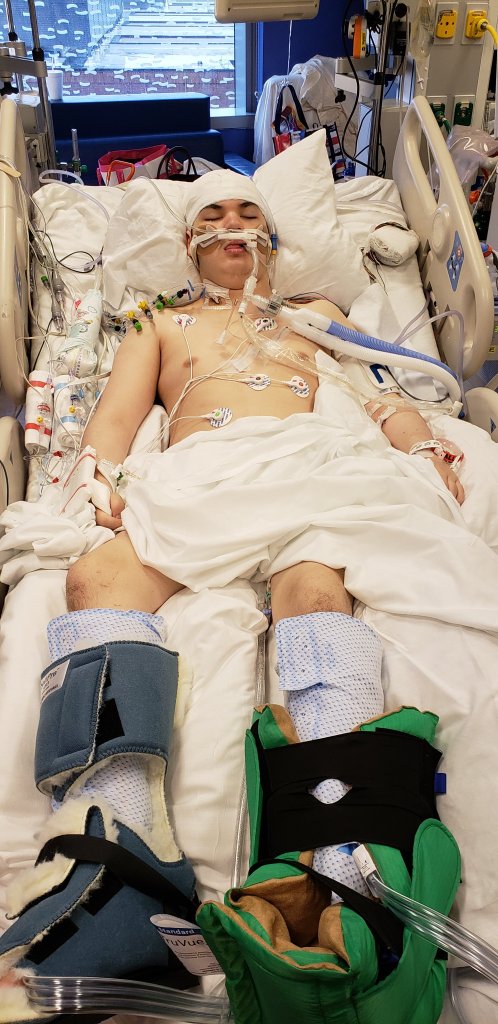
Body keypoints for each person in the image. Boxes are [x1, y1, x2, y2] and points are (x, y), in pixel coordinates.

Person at [1, 170, 496, 1020]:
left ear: (273, 237)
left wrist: (420, 444)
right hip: (204, 472)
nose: (233, 224)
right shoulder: (158, 324)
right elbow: (114, 421)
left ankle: (337, 856)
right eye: (214, 214)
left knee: (314, 592)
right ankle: (124, 829)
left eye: (250, 211)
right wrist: (99, 482)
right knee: (95, 578)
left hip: (312, 463)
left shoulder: (316, 313)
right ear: (188, 243)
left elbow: (380, 391)